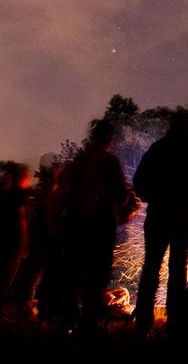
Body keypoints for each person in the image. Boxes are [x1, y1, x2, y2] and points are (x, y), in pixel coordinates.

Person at [133, 108, 188, 335]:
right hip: (184, 217)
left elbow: (139, 182)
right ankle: (175, 323)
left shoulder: (157, 149)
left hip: (158, 214)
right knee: (178, 268)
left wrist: (154, 198)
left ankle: (143, 323)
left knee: (151, 267)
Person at [62, 120, 137, 333]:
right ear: (108, 139)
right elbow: (121, 193)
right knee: (96, 274)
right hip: (100, 225)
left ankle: (69, 319)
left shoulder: (78, 161)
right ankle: (88, 321)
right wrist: (120, 212)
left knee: (75, 273)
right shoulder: (109, 162)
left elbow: (67, 190)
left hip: (76, 223)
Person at [0, 163, 32, 321]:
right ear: (23, 177)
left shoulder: (5, 195)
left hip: (1, 239)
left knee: (0, 275)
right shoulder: (18, 194)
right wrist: (24, 241)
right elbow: (21, 217)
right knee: (7, 276)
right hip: (12, 240)